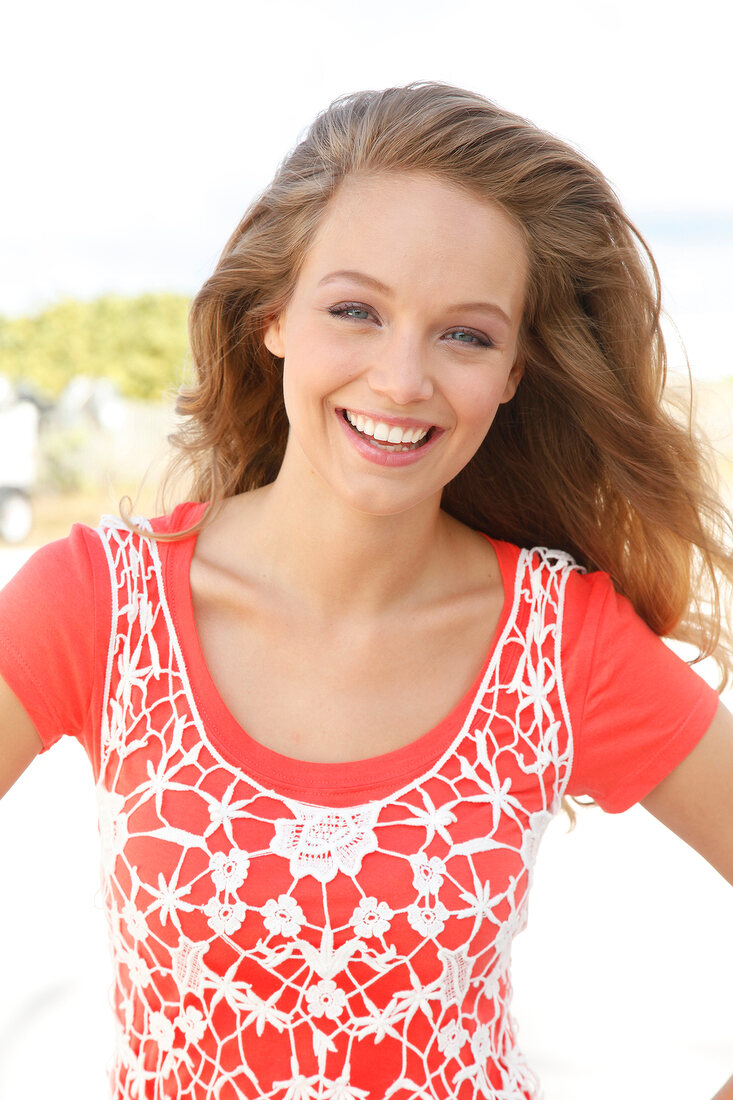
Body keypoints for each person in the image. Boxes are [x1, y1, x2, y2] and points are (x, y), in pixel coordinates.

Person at [1, 81, 732, 1100]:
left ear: (515, 370)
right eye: (355, 310)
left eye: (465, 334)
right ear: (273, 317)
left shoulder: (556, 640)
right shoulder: (95, 603)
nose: (400, 378)